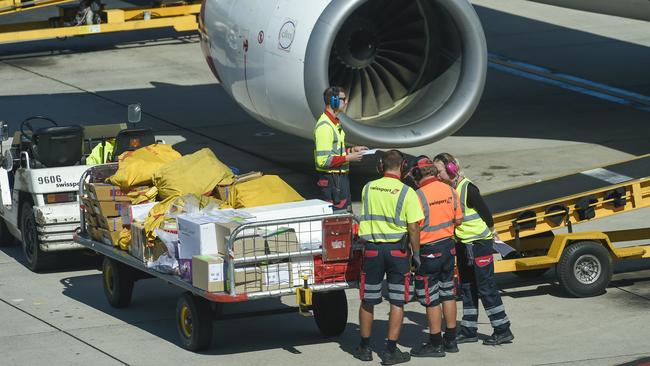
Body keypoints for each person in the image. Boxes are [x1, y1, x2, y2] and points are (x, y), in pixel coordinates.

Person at [432, 152, 514, 346]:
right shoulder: (449, 189)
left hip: (479, 245)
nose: (437, 176)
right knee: (467, 288)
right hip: (463, 245)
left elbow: (486, 214)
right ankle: (469, 330)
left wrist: (494, 234)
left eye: (439, 171)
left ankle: (503, 329)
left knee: (486, 288)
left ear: (452, 169)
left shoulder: (468, 188)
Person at [354, 150, 424, 365]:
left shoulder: (368, 188)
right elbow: (413, 227)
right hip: (397, 252)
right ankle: (390, 351)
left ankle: (364, 348)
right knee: (397, 300)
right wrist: (416, 255)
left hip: (373, 251)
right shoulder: (407, 192)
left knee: (368, 299)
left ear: (380, 167)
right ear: (402, 167)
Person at [405, 156, 463, 357]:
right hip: (448, 248)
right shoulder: (450, 190)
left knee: (431, 299)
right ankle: (451, 340)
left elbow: (413, 227)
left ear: (418, 175)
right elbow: (460, 220)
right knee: (448, 293)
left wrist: (414, 254)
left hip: (428, 251)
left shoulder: (417, 195)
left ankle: (435, 343)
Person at [314, 86, 367, 211]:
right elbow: (323, 161)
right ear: (334, 101)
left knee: (345, 213)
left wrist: (351, 151)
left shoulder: (334, 123)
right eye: (343, 99)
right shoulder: (325, 127)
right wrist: (349, 158)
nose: (346, 102)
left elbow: (335, 152)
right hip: (332, 182)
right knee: (338, 216)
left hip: (339, 180)